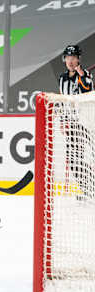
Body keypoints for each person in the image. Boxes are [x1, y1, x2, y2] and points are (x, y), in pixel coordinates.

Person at [58, 45, 94, 201]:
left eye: (73, 58)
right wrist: (63, 120)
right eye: (68, 58)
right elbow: (63, 101)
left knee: (91, 156)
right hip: (72, 124)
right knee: (74, 161)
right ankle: (89, 189)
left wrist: (82, 75)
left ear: (78, 59)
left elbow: (87, 90)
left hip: (87, 123)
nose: (70, 61)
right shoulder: (62, 78)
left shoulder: (85, 75)